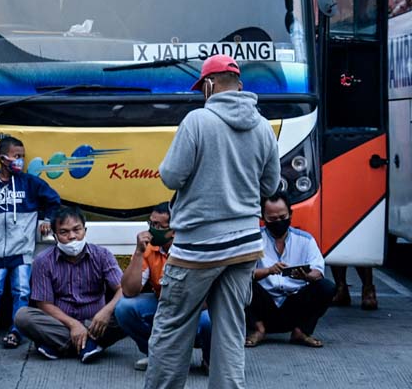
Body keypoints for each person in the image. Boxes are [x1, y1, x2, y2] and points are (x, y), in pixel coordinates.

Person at [144, 54, 280, 389]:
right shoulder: (262, 126)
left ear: (209, 84)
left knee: (172, 327)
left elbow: (171, 177)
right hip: (246, 245)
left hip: (198, 247)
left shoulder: (197, 121)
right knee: (231, 331)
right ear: (239, 85)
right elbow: (270, 187)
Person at [0, 136, 61, 350]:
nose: (21, 161)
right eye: (17, 156)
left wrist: (46, 220)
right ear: (3, 158)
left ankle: (16, 332)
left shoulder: (30, 183)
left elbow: (53, 199)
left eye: (23, 157)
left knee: (21, 291)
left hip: (21, 251)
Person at [14, 205, 127, 363]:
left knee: (129, 311)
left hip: (96, 323)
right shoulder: (43, 261)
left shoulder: (102, 255)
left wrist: (106, 312)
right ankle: (88, 345)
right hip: (61, 323)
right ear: (55, 236)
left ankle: (59, 345)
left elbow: (123, 289)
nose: (72, 236)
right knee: (22, 316)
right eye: (64, 232)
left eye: (77, 230)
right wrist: (73, 325)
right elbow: (43, 303)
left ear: (85, 231)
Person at [115, 203, 211, 373]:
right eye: (151, 224)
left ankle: (209, 360)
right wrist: (138, 252)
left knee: (208, 320)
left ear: (175, 229)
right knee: (124, 308)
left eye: (159, 226)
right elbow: (129, 291)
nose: (153, 229)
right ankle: (156, 356)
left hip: (196, 307)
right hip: (163, 304)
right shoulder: (149, 248)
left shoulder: (193, 248)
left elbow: (207, 298)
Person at [245, 193, 336, 348]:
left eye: (282, 217)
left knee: (326, 287)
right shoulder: (254, 240)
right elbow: (244, 274)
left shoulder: (305, 240)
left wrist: (306, 276)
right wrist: (268, 271)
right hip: (263, 305)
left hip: (293, 304)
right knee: (238, 283)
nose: (278, 222)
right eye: (272, 219)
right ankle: (257, 328)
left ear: (290, 214)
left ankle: (301, 331)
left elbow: (318, 272)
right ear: (263, 218)